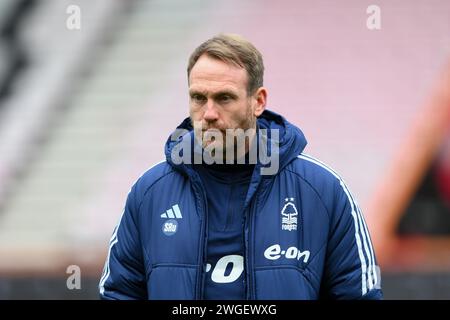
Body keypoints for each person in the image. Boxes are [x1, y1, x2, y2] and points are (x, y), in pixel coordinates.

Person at [99, 33, 383, 300]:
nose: (209, 114)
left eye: (224, 98)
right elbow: (118, 293)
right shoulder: (149, 192)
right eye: (198, 98)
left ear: (258, 101)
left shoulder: (323, 191)